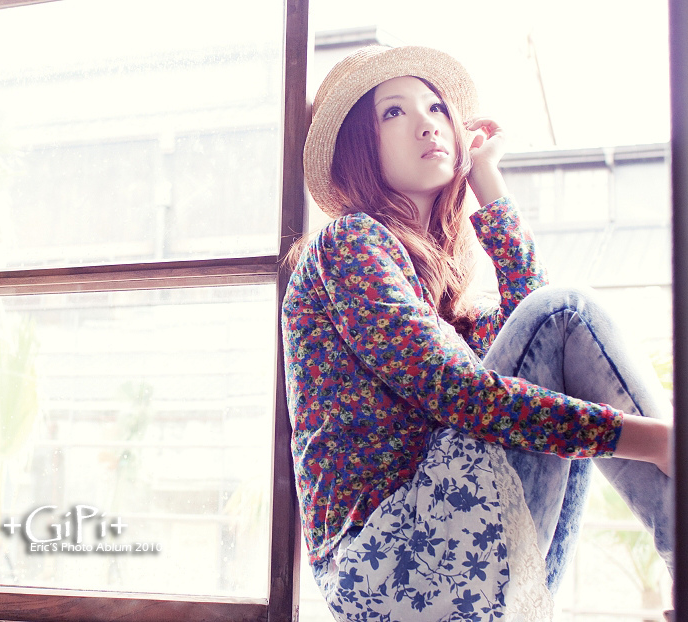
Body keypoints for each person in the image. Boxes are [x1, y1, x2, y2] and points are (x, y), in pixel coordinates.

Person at [281, 45, 674, 621]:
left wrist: (486, 177)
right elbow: (468, 386)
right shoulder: (347, 243)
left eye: (437, 108)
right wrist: (657, 441)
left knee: (558, 316)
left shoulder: (438, 297)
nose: (427, 124)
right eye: (394, 112)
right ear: (358, 149)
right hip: (389, 560)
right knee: (568, 307)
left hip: (439, 551)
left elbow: (540, 333)